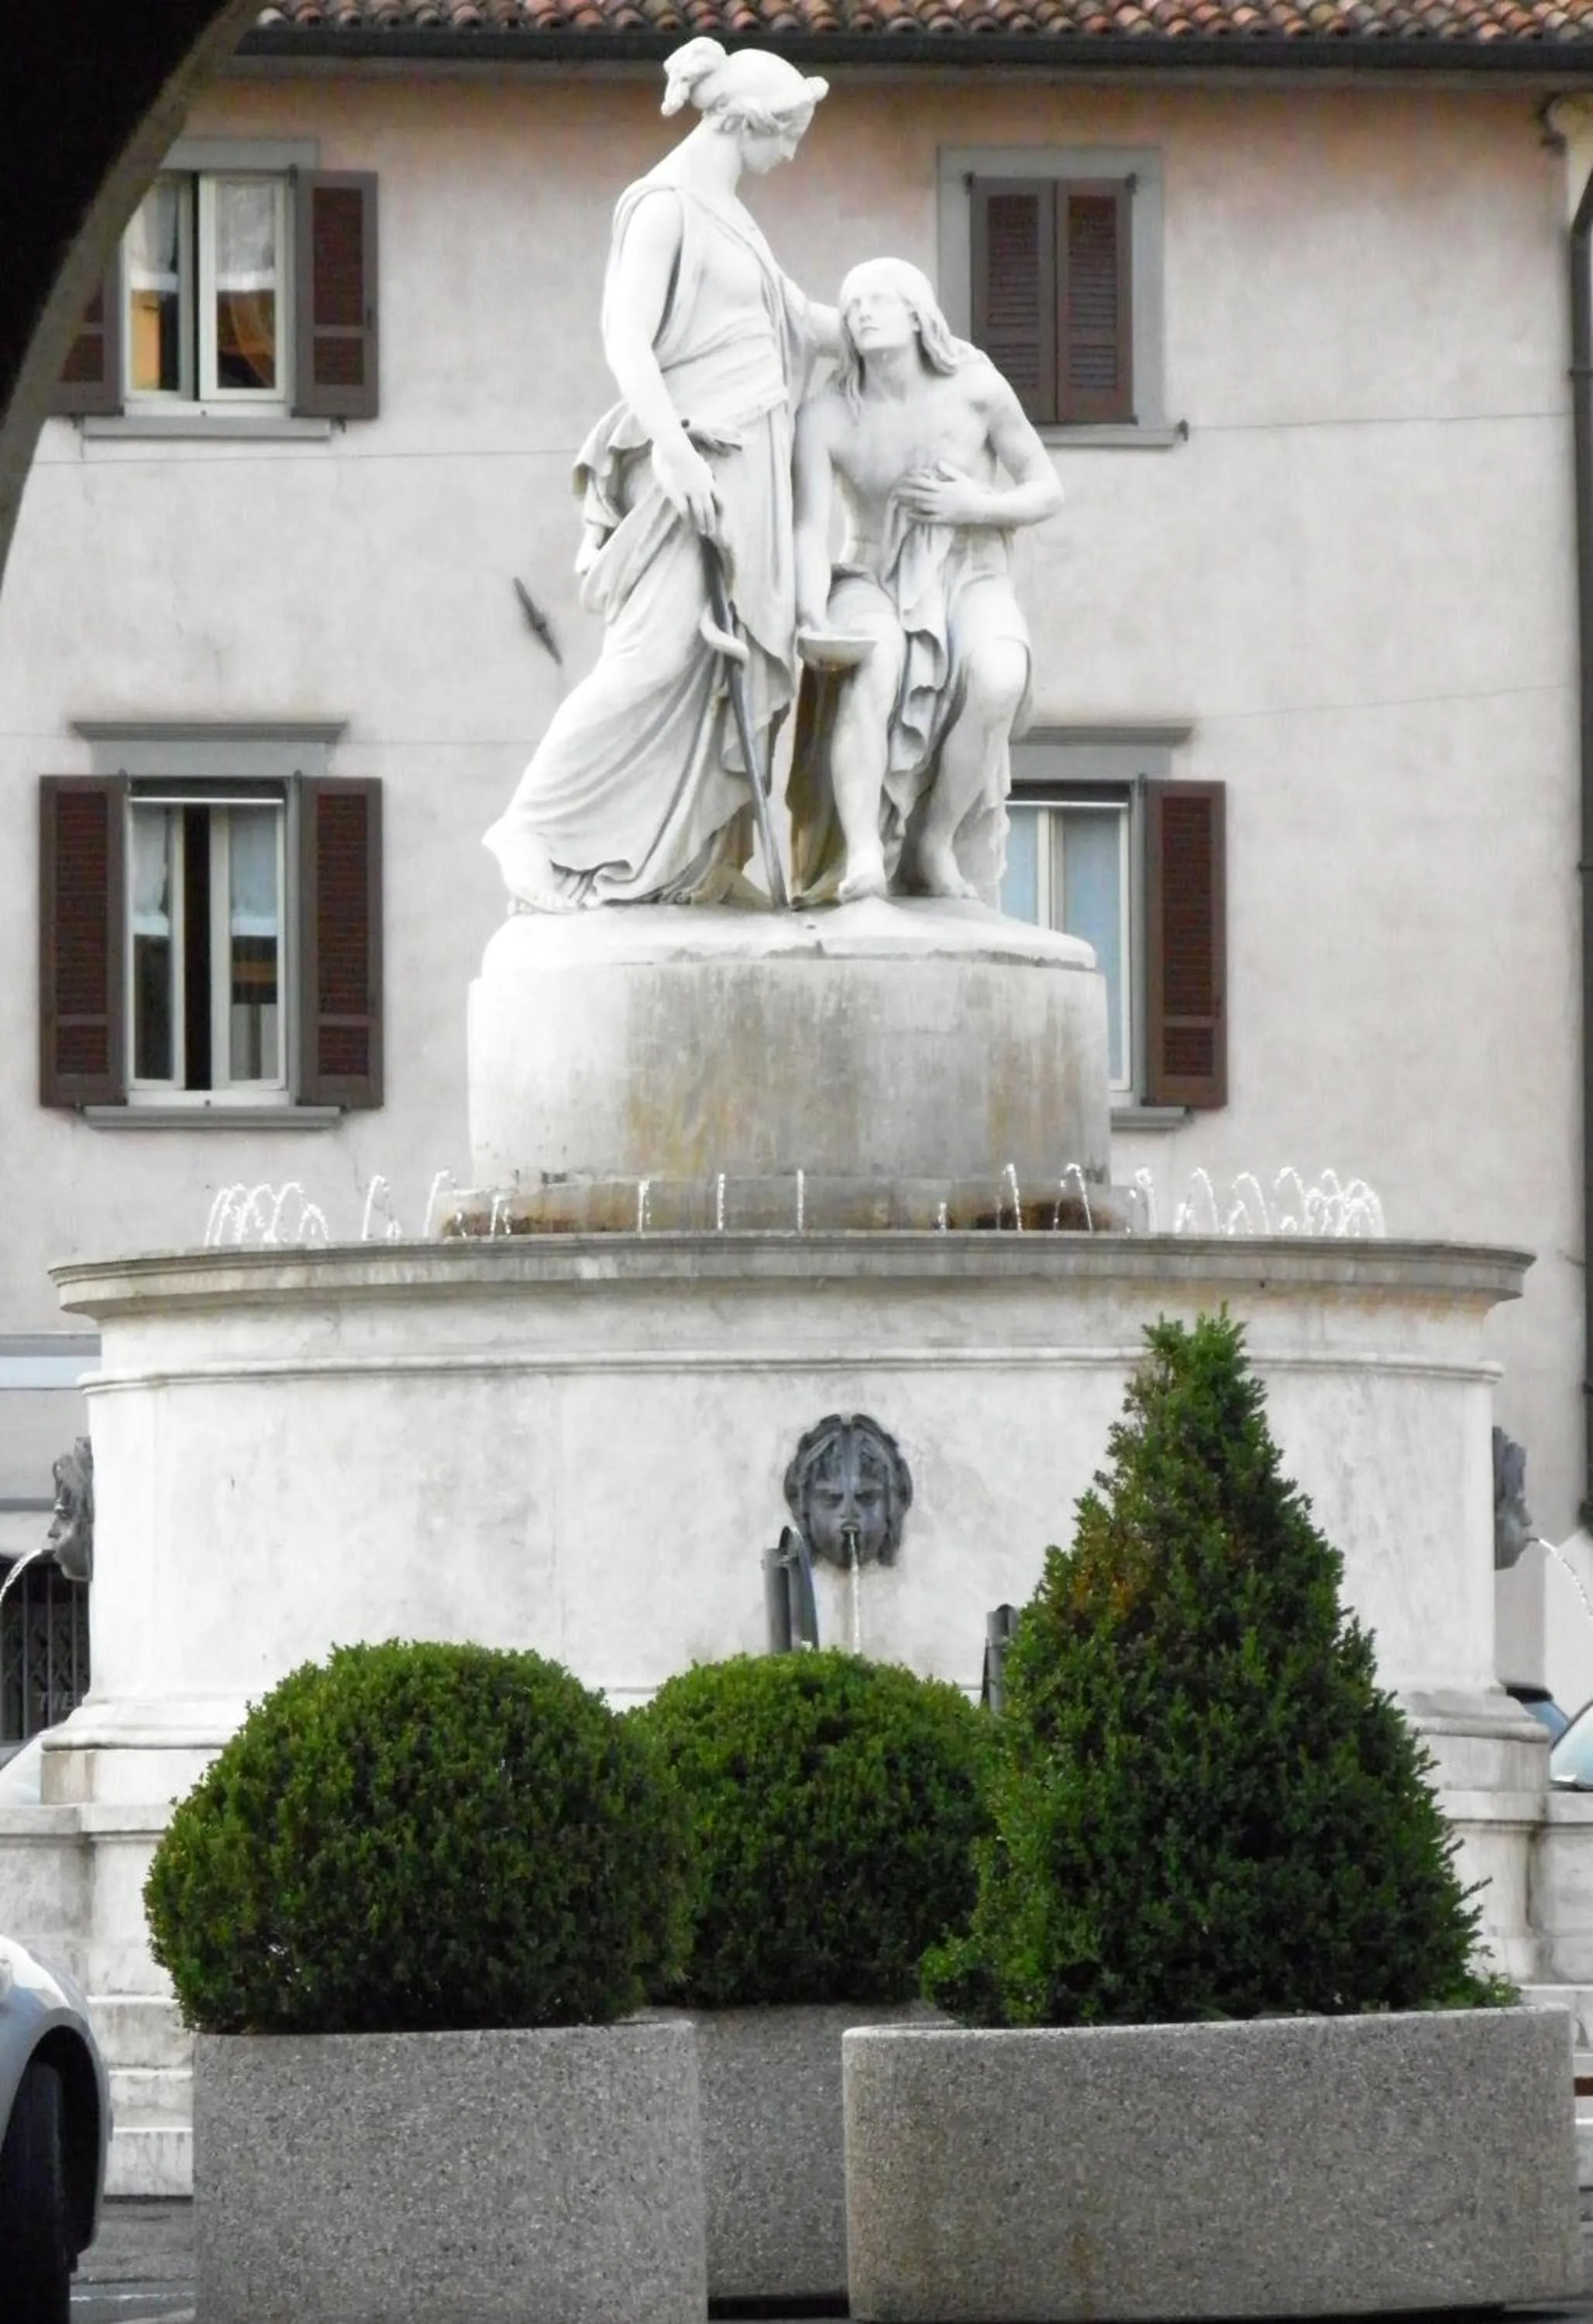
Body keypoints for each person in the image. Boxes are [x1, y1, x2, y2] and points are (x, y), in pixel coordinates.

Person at [483, 39, 833, 911]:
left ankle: (688, 861)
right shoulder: (664, 207)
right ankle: (530, 827)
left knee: (726, 672)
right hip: (694, 460)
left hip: (749, 464)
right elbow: (624, 338)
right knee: (651, 659)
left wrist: (901, 322)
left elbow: (804, 323)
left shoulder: (734, 216)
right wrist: (674, 453)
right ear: (746, 122)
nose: (791, 154)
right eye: (787, 133)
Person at [787, 257, 1064, 905]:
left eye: (879, 300)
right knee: (872, 664)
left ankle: (933, 839)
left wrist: (978, 507)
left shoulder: (977, 388)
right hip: (870, 571)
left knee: (999, 678)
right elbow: (808, 527)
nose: (862, 313)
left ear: (918, 313)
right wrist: (811, 613)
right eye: (852, 305)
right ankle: (861, 853)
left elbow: (1047, 489)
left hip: (970, 567)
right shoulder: (827, 415)